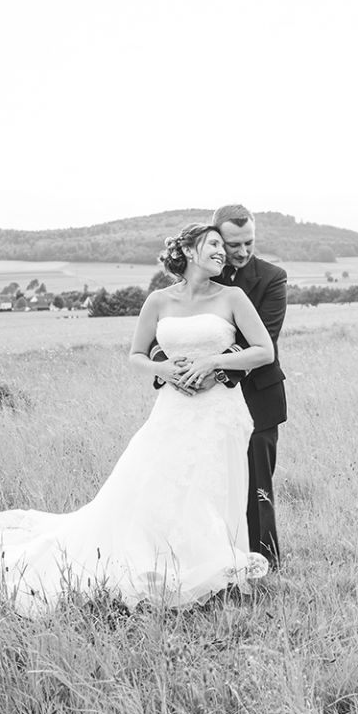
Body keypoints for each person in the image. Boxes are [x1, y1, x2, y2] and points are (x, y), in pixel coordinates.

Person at [0, 224, 273, 615]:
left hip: (219, 410)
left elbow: (263, 351)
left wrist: (213, 361)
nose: (223, 252)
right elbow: (136, 355)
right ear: (188, 250)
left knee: (212, 486)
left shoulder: (232, 297)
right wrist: (163, 371)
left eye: (223, 245)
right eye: (214, 244)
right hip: (173, 408)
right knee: (153, 487)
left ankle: (211, 569)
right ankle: (161, 566)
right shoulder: (158, 302)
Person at [153, 205, 287, 567]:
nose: (242, 252)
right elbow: (167, 328)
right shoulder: (198, 274)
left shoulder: (272, 278)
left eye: (250, 242)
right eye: (233, 244)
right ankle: (200, 558)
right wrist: (170, 366)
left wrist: (213, 371)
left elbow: (261, 339)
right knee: (197, 478)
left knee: (255, 483)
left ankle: (263, 561)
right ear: (213, 241)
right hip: (191, 398)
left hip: (256, 393)